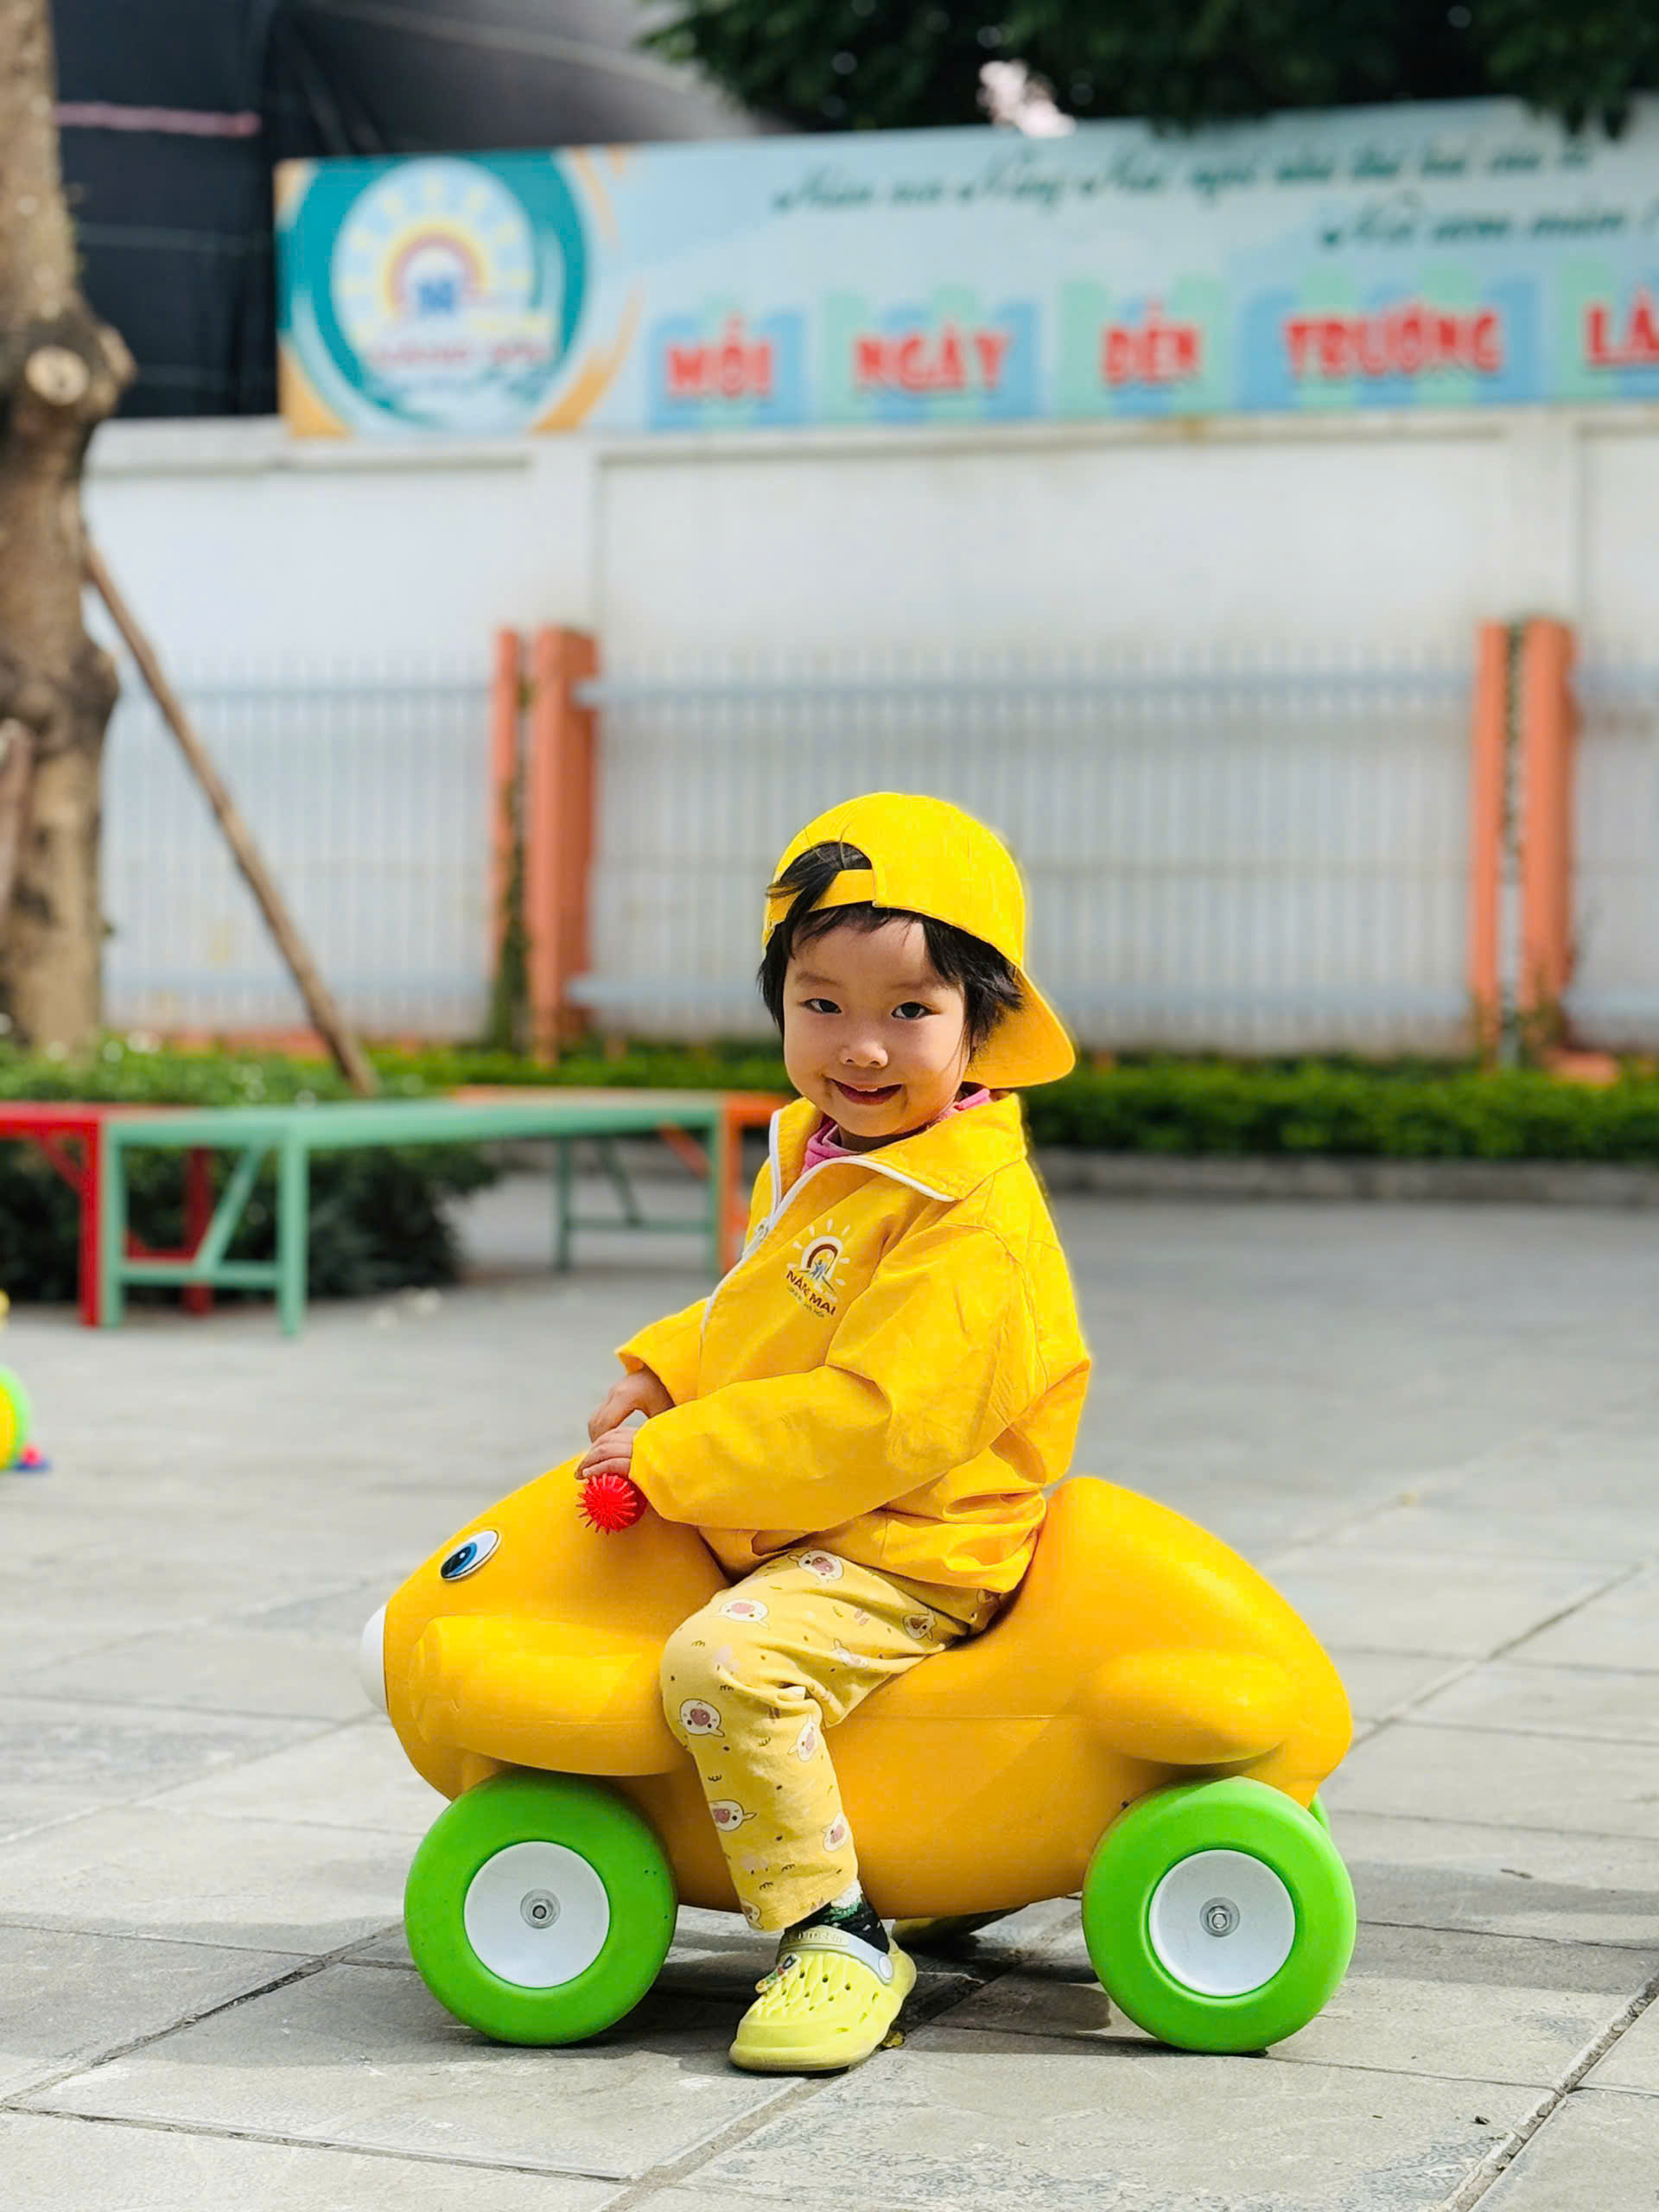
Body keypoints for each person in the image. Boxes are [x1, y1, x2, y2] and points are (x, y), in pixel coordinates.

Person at [579, 791, 1090, 2073]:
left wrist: (676, 1462)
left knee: (724, 1666)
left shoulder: (970, 1221)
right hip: (826, 1512)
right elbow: (770, 1312)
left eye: (910, 1013)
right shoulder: (821, 1146)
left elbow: (872, 1421)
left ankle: (835, 1935)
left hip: (910, 1542)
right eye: (823, 1004)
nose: (861, 1049)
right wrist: (665, 1369)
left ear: (981, 1026)